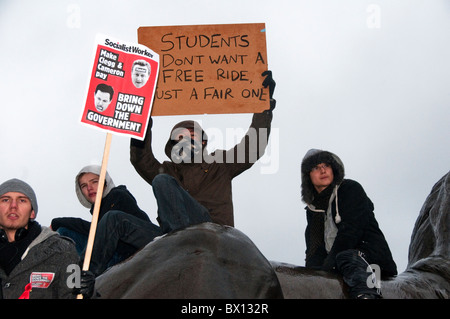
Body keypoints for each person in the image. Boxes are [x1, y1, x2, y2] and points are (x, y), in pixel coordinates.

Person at [130, 71, 276, 233]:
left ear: (203, 141)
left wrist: (264, 107)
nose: (186, 141)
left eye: (192, 136)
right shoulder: (167, 171)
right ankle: (177, 239)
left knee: (161, 181)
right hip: (170, 235)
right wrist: (140, 119)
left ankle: (181, 240)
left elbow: (252, 148)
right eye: (180, 137)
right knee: (117, 219)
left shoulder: (220, 164)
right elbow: (141, 159)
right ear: (173, 144)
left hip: (211, 230)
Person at [300, 149, 398, 299]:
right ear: (308, 177)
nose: (322, 170)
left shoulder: (350, 189)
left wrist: (329, 265)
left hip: (370, 258)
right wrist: (312, 276)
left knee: (346, 256)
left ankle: (368, 295)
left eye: (326, 165)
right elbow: (314, 248)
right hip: (335, 262)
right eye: (315, 167)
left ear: (334, 169)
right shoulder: (313, 209)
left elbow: (351, 231)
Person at [51, 165, 162, 276]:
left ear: (105, 183)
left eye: (94, 182)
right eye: (84, 186)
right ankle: (67, 276)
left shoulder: (118, 196)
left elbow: (99, 231)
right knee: (64, 233)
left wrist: (58, 221)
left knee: (103, 222)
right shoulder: (97, 210)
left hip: (136, 250)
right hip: (114, 255)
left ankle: (86, 274)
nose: (89, 188)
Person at [0, 178, 94, 299]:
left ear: (32, 213)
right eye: (5, 200)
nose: (13, 206)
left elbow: (74, 295)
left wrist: (88, 293)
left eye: (22, 200)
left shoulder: (63, 251)